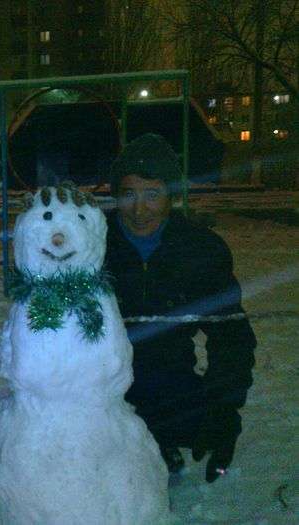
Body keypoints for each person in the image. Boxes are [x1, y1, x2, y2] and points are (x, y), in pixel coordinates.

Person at [104, 133, 257, 483]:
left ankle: (164, 436)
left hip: (170, 378)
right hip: (104, 384)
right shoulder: (95, 248)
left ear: (171, 195)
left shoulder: (200, 251)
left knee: (203, 420)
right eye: (129, 194)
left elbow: (231, 334)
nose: (140, 209)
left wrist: (224, 407)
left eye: (153, 194)